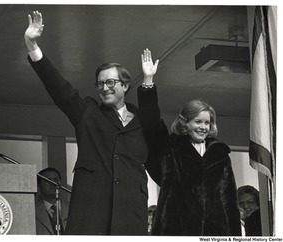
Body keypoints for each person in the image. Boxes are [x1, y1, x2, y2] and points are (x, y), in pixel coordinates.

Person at [24, 11, 149, 235]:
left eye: (110, 82)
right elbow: (61, 90)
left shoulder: (142, 121)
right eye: (99, 84)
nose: (104, 88)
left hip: (131, 217)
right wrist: (32, 46)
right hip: (92, 216)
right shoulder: (88, 112)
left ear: (125, 85)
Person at [137, 49, 241, 236]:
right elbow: (151, 124)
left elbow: (229, 202)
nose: (203, 127)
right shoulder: (171, 149)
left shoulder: (220, 154)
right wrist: (148, 82)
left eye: (207, 122)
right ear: (185, 123)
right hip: (175, 232)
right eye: (198, 122)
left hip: (216, 234)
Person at [35, 167, 69, 235]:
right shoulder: (32, 210)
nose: (53, 183)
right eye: (48, 180)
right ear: (38, 186)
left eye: (56, 180)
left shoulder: (71, 208)